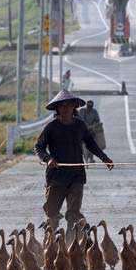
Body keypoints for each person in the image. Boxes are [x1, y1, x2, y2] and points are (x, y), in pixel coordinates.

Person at [35, 89, 114, 242]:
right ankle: (49, 249)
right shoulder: (51, 127)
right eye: (62, 106)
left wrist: (104, 158)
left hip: (76, 176)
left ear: (73, 107)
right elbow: (39, 147)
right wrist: (48, 158)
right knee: (52, 214)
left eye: (68, 105)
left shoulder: (80, 126)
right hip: (56, 178)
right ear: (57, 108)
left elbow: (91, 143)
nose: (65, 109)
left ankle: (72, 248)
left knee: (73, 214)